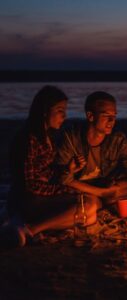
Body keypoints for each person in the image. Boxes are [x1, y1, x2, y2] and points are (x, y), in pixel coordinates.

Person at [2, 85, 98, 247]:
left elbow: (45, 172)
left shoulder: (48, 137)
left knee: (89, 213)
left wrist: (68, 169)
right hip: (26, 199)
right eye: (60, 110)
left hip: (40, 197)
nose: (64, 115)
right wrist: (63, 189)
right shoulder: (28, 139)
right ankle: (31, 229)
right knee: (87, 206)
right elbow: (30, 185)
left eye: (65, 110)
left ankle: (30, 226)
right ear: (45, 111)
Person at [57, 91, 127, 214]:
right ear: (90, 116)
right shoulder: (71, 138)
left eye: (114, 116)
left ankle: (105, 199)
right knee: (96, 198)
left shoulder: (117, 139)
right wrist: (102, 192)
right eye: (106, 115)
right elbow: (62, 178)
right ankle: (103, 200)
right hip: (79, 189)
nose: (112, 120)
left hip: (104, 187)